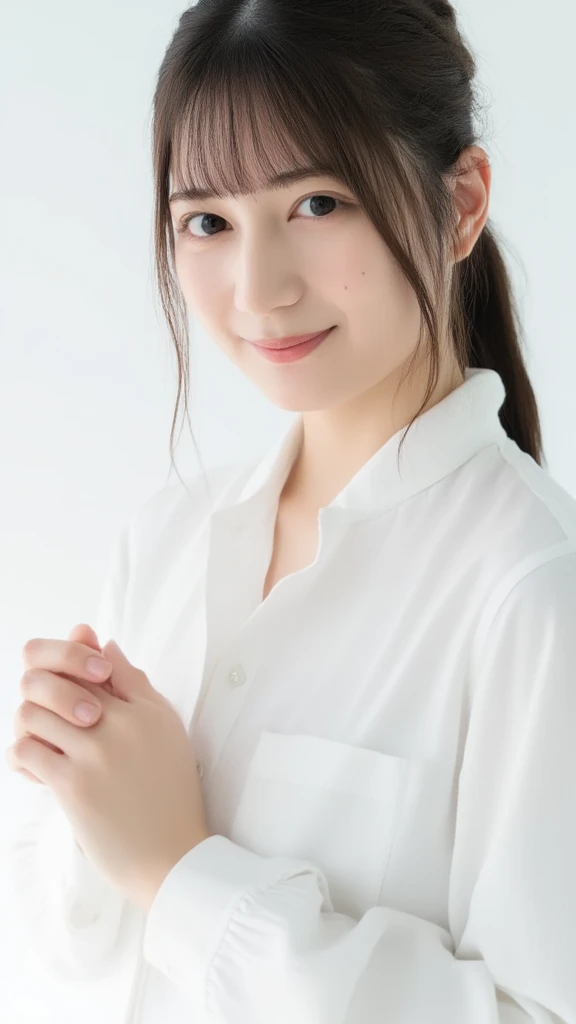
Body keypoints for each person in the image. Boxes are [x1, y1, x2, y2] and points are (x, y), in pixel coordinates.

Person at [5, 0, 576, 1021]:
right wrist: (76, 787)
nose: (258, 290)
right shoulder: (170, 538)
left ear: (461, 204)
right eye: (207, 222)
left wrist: (180, 872)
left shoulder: (529, 590)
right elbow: (72, 956)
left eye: (316, 204)